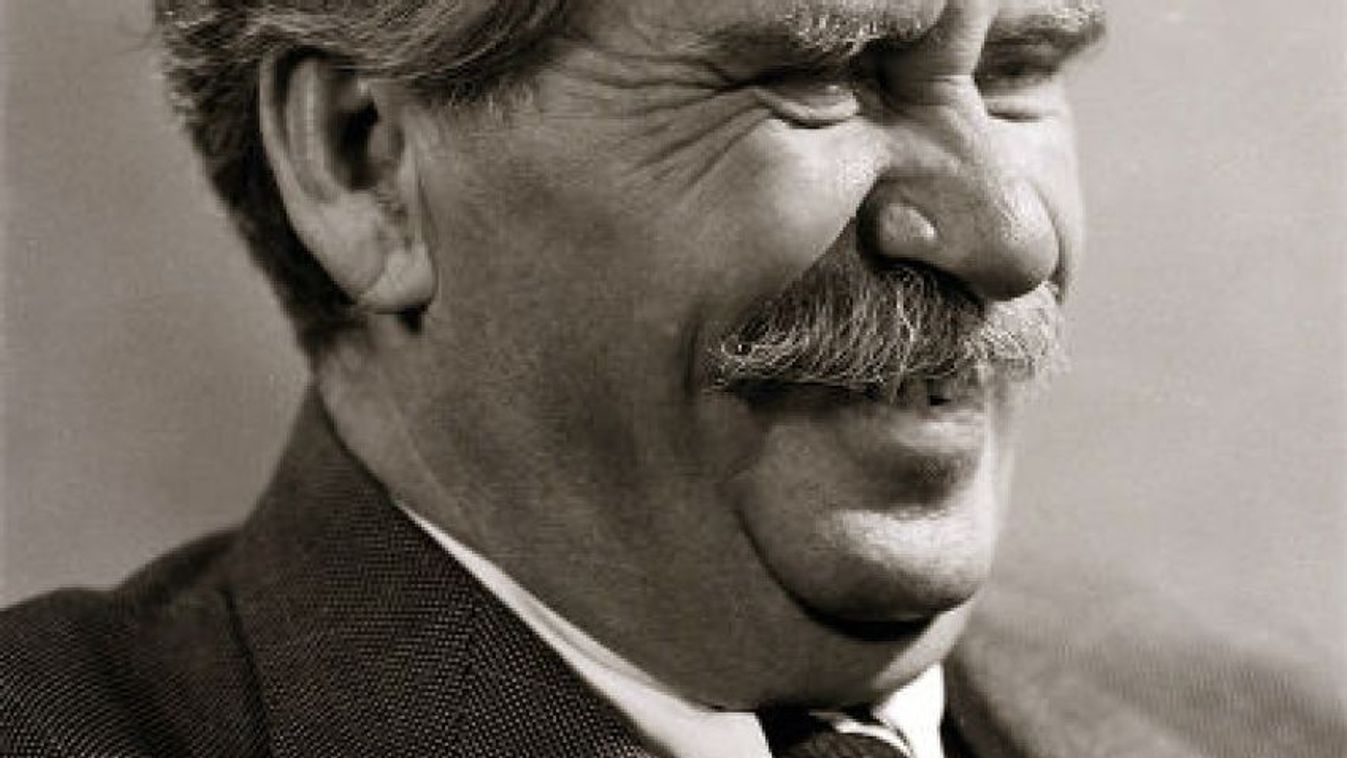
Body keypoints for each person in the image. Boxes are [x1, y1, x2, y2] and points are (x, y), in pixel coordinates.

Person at [1, 0, 1341, 755]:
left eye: (1019, 70)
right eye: (818, 77)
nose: (1009, 238)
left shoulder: (1265, 727)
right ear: (364, 164)